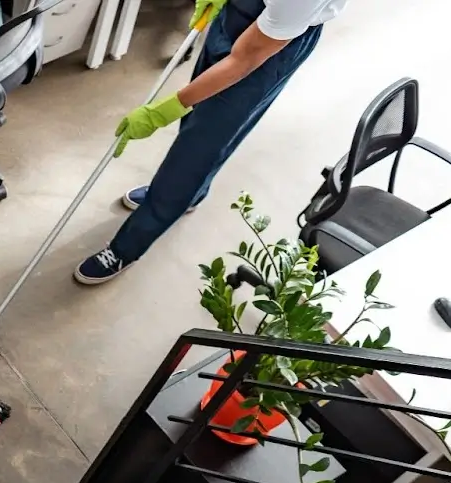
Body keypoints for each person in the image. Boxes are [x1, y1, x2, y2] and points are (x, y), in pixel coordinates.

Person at [73, 0, 342, 284]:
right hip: (246, 14)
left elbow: (244, 60)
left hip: (270, 48)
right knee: (197, 124)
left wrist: (164, 111)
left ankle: (125, 248)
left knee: (196, 151)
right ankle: (193, 194)